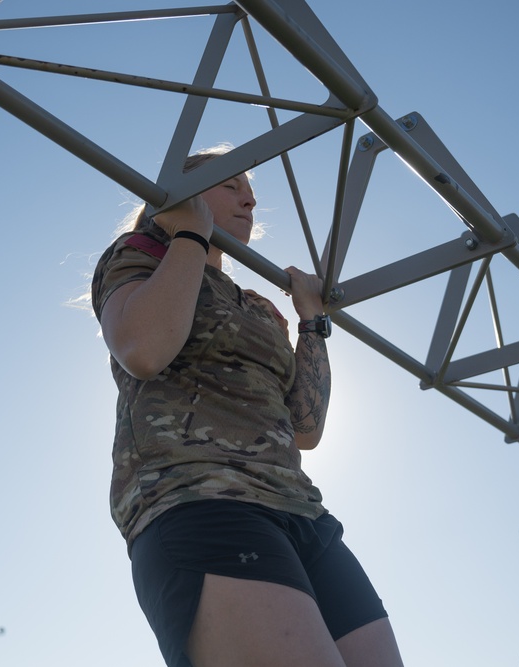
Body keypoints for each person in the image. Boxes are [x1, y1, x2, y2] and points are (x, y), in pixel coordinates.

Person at [90, 146, 405, 667]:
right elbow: (143, 349)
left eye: (250, 189)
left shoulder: (258, 305)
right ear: (186, 192)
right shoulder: (141, 254)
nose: (250, 198)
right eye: (231, 184)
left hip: (301, 511)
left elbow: (305, 428)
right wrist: (190, 233)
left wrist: (311, 321)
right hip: (201, 499)